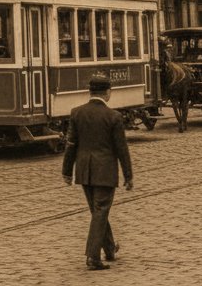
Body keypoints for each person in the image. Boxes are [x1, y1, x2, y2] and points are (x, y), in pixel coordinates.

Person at [62, 74, 133, 271]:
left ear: (90, 92)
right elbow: (121, 149)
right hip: (105, 170)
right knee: (100, 211)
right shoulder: (114, 117)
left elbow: (71, 144)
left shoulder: (77, 113)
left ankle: (109, 249)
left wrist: (67, 171)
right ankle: (93, 256)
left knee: (98, 211)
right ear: (108, 93)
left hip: (84, 170)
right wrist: (128, 175)